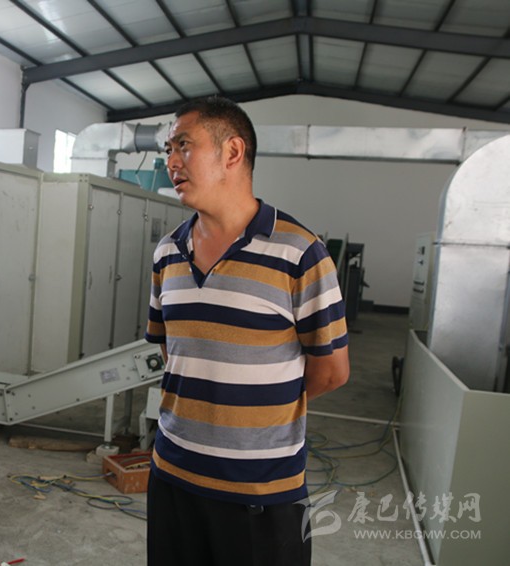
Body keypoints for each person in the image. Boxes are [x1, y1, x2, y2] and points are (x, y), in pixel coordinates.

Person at [144, 96, 350, 565]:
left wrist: (259, 411)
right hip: (172, 477)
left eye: (184, 145)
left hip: (260, 494)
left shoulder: (300, 253)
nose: (171, 161)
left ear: (232, 152)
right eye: (169, 149)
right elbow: (173, 352)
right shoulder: (167, 252)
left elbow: (332, 372)